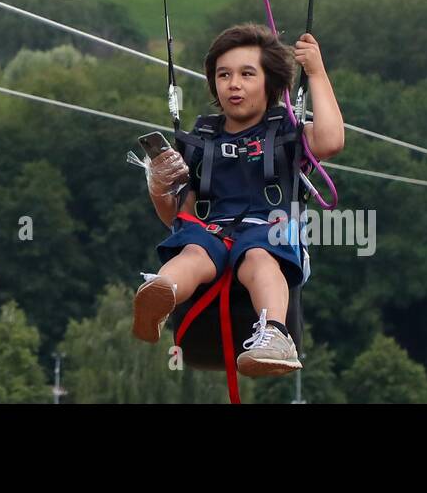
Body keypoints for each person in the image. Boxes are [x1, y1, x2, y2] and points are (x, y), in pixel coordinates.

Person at [132, 22, 345, 377]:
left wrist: (317, 72)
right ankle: (161, 291)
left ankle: (275, 335)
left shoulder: (287, 133)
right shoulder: (201, 140)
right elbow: (174, 216)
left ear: (270, 82)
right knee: (192, 252)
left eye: (247, 74)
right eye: (224, 75)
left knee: (258, 255)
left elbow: (331, 140)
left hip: (268, 233)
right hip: (211, 231)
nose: (233, 84)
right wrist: (159, 187)